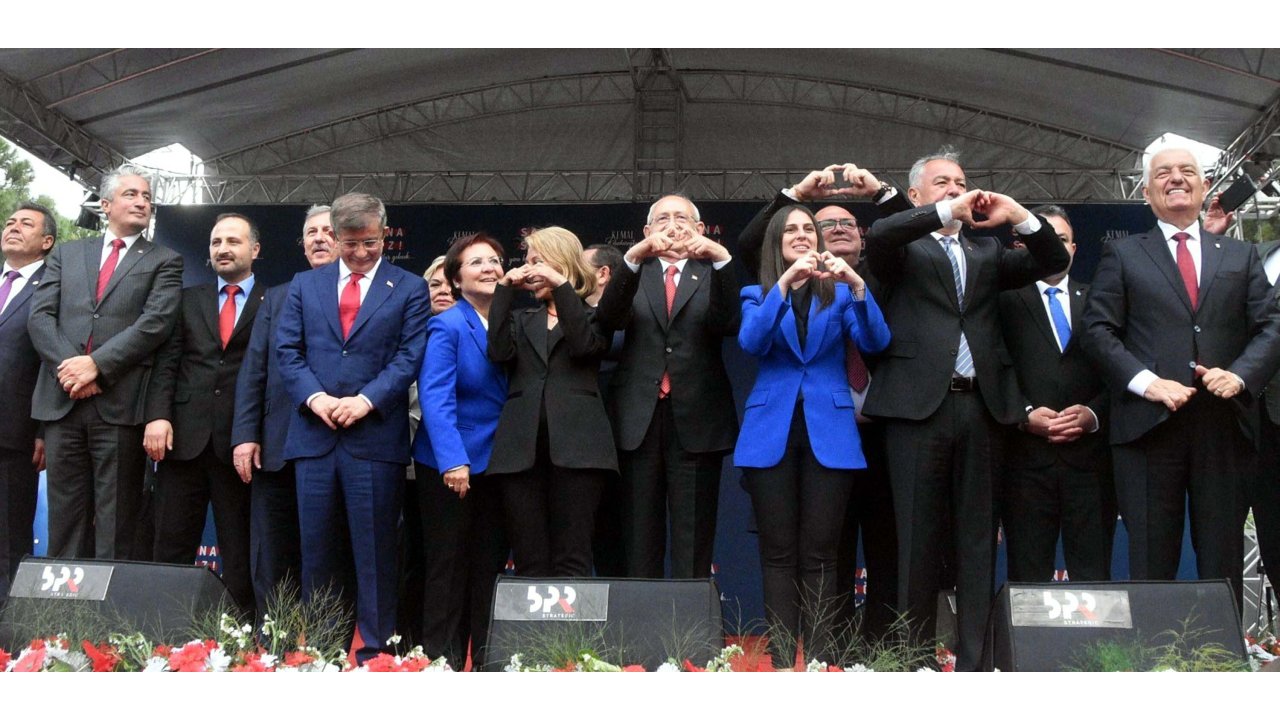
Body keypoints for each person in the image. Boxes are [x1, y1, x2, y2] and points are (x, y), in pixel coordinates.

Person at [863, 147, 1069, 670]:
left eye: (960, 182)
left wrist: (1017, 215)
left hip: (982, 408)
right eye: (942, 183)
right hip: (917, 410)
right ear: (916, 195)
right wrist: (941, 214)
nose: (956, 189)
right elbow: (880, 235)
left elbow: (1053, 260)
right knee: (916, 539)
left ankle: (975, 661)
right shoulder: (903, 248)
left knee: (978, 539)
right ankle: (914, 658)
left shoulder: (987, 252)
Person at [1083, 147, 1280, 607]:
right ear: (1146, 192)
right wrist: (1146, 382)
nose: (1176, 178)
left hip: (1224, 427)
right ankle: (1155, 650)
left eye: (1187, 171)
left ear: (1205, 186)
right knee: (1151, 559)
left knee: (1222, 557)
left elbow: (1271, 326)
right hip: (1147, 428)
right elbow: (1097, 330)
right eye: (1163, 173)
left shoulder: (1241, 254)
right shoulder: (1123, 253)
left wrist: (1240, 376)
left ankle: (1222, 649)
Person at [738, 164, 910, 637]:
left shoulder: (840, 294)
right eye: (791, 230)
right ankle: (780, 660)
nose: (800, 235)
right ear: (776, 243)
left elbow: (875, 341)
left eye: (807, 230)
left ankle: (818, 659)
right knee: (777, 554)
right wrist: (783, 285)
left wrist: (858, 287)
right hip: (771, 432)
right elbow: (752, 342)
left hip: (829, 432)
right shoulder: (756, 293)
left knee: (821, 555)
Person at [276, 192, 430, 664]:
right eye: (351, 243)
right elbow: (287, 351)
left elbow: (410, 355)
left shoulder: (409, 287)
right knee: (318, 553)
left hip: (374, 439)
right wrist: (317, 398)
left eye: (371, 242)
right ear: (335, 235)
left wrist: (366, 401)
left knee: (377, 553)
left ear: (384, 233)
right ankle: (323, 652)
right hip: (315, 438)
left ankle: (376, 655)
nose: (361, 252)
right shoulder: (305, 284)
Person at [28, 164, 183, 560]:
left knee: (116, 523)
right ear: (106, 204)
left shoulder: (165, 259)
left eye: (147, 197)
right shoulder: (67, 253)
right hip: (63, 402)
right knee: (65, 520)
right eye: (132, 194)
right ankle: (63, 599)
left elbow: (155, 323)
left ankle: (108, 604)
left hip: (120, 405)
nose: (142, 202)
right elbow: (40, 317)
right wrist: (72, 369)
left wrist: (96, 366)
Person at [594, 194, 739, 580]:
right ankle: (642, 619)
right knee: (639, 537)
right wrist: (633, 257)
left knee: (693, 539)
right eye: (662, 219)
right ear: (647, 231)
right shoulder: (633, 273)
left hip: (697, 419)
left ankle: (689, 620)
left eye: (682, 218)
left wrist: (720, 257)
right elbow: (608, 319)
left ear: (700, 229)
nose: (672, 226)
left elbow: (729, 322)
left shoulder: (713, 272)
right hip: (637, 420)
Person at [144, 213, 264, 615]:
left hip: (241, 445)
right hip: (182, 441)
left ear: (255, 250)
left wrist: (256, 433)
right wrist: (158, 416)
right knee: (170, 544)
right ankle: (160, 632)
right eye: (216, 242)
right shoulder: (186, 299)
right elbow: (166, 364)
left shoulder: (274, 302)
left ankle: (241, 634)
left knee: (241, 550)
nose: (223, 249)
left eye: (233, 241)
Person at [232, 205, 341, 621]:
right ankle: (273, 639)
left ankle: (325, 642)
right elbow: (254, 370)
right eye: (311, 232)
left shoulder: (363, 296)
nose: (319, 238)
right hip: (276, 447)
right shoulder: (276, 297)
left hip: (335, 445)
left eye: (328, 231)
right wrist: (246, 435)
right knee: (274, 554)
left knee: (328, 553)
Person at [487, 226, 615, 577]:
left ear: (562, 262)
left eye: (537, 261)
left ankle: (569, 619)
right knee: (529, 557)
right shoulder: (521, 318)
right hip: (520, 451)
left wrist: (560, 286)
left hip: (580, 450)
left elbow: (584, 346)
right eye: (527, 262)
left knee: (573, 555)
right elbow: (499, 352)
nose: (528, 270)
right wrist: (503, 290)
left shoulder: (597, 315)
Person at [999, 206, 1114, 582]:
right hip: (1025, 464)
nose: (1054, 246)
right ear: (1023, 247)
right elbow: (993, 367)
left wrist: (1093, 415)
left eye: (1061, 239)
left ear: (1074, 249)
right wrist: (1023, 414)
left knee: (1094, 577)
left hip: (1091, 464)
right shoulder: (1002, 300)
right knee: (1027, 579)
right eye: (1044, 238)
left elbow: (1119, 371)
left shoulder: (1099, 300)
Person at [412, 233, 510, 670]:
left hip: (498, 463)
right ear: (456, 279)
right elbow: (435, 397)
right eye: (477, 263)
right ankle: (442, 662)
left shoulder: (510, 320)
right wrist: (453, 459)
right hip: (450, 465)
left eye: (495, 261)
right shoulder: (447, 324)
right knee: (448, 567)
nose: (489, 268)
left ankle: (487, 663)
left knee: (488, 566)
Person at [0, 203, 55, 597]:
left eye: (26, 224)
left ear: (47, 241)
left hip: (14, 436)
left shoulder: (53, 288)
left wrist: (44, 430)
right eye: (9, 222)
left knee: (8, 538)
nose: (14, 227)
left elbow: (53, 363)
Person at [398, 253, 452, 645]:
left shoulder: (474, 331)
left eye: (451, 284)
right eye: (435, 284)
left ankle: (436, 644)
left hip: (446, 464)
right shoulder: (404, 334)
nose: (443, 291)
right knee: (406, 556)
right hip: (402, 463)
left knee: (441, 557)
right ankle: (401, 642)